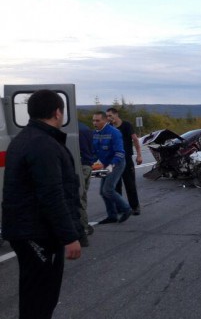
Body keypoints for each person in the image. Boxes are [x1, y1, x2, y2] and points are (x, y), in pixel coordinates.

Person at [1, 89, 82, 319]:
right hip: (37, 233)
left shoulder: (24, 139)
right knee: (41, 298)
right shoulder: (43, 144)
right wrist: (70, 236)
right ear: (58, 112)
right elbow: (52, 194)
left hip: (25, 229)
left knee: (33, 294)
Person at [92, 111, 132, 224]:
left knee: (108, 189)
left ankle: (126, 209)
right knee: (102, 191)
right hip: (105, 164)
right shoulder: (95, 133)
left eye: (97, 120)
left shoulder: (114, 132)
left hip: (116, 163)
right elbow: (95, 152)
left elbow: (120, 152)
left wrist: (111, 165)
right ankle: (112, 216)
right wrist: (88, 162)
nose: (95, 123)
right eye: (93, 120)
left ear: (105, 120)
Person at [106, 107, 143, 215]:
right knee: (116, 185)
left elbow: (135, 140)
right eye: (107, 116)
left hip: (126, 159)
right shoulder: (108, 127)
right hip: (114, 161)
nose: (108, 118)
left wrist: (139, 155)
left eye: (110, 116)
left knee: (130, 184)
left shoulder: (126, 125)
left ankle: (135, 207)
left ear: (116, 115)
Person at [78, 121, 94, 246]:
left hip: (80, 166)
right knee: (82, 196)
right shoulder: (86, 128)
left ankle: (83, 228)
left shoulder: (71, 130)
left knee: (78, 197)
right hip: (87, 165)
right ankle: (84, 225)